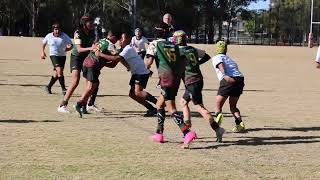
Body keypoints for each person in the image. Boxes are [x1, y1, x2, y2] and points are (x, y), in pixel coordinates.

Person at [145, 28, 196, 148]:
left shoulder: (154, 44)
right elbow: (182, 60)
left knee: (171, 108)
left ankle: (187, 132)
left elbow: (148, 63)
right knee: (159, 105)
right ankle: (159, 133)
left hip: (166, 78)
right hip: (175, 78)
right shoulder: (173, 45)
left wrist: (145, 63)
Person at [170, 30, 225, 142]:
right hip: (196, 79)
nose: (173, 40)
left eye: (175, 38)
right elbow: (206, 56)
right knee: (183, 102)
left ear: (179, 39)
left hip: (191, 81)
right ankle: (187, 128)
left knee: (200, 107)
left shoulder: (177, 51)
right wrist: (196, 64)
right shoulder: (192, 49)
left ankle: (217, 128)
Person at [98, 33, 158, 117]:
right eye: (120, 39)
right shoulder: (121, 50)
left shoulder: (128, 49)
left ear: (127, 40)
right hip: (136, 73)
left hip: (141, 72)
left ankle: (159, 104)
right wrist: (102, 63)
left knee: (138, 92)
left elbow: (116, 58)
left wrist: (100, 54)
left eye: (122, 39)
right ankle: (152, 109)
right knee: (132, 94)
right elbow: (113, 64)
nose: (119, 41)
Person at [74, 35, 122, 118]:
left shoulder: (102, 40)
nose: (116, 41)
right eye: (117, 39)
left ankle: (84, 106)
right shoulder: (110, 45)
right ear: (113, 37)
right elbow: (115, 57)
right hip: (92, 65)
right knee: (90, 87)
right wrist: (121, 52)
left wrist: (103, 61)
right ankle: (79, 104)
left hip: (86, 62)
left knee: (92, 86)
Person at [57, 15, 96, 113]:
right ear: (84, 23)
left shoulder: (93, 32)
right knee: (76, 80)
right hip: (77, 57)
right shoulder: (78, 32)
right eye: (90, 22)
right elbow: (79, 49)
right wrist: (91, 48)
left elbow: (94, 44)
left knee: (90, 82)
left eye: (92, 22)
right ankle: (62, 105)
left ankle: (83, 105)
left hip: (87, 57)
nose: (92, 24)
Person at [211, 41, 246, 133]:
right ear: (225, 49)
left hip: (228, 79)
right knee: (233, 106)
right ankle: (239, 124)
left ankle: (218, 117)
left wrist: (225, 75)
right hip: (239, 79)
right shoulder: (230, 59)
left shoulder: (217, 57)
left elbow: (220, 64)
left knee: (218, 105)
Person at [41, 22, 73, 95]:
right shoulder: (49, 36)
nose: (57, 31)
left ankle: (48, 87)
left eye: (58, 29)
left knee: (57, 73)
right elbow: (43, 44)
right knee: (60, 72)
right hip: (54, 55)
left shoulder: (64, 36)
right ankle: (64, 89)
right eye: (55, 29)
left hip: (62, 56)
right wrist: (42, 52)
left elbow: (71, 45)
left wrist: (68, 49)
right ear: (53, 30)